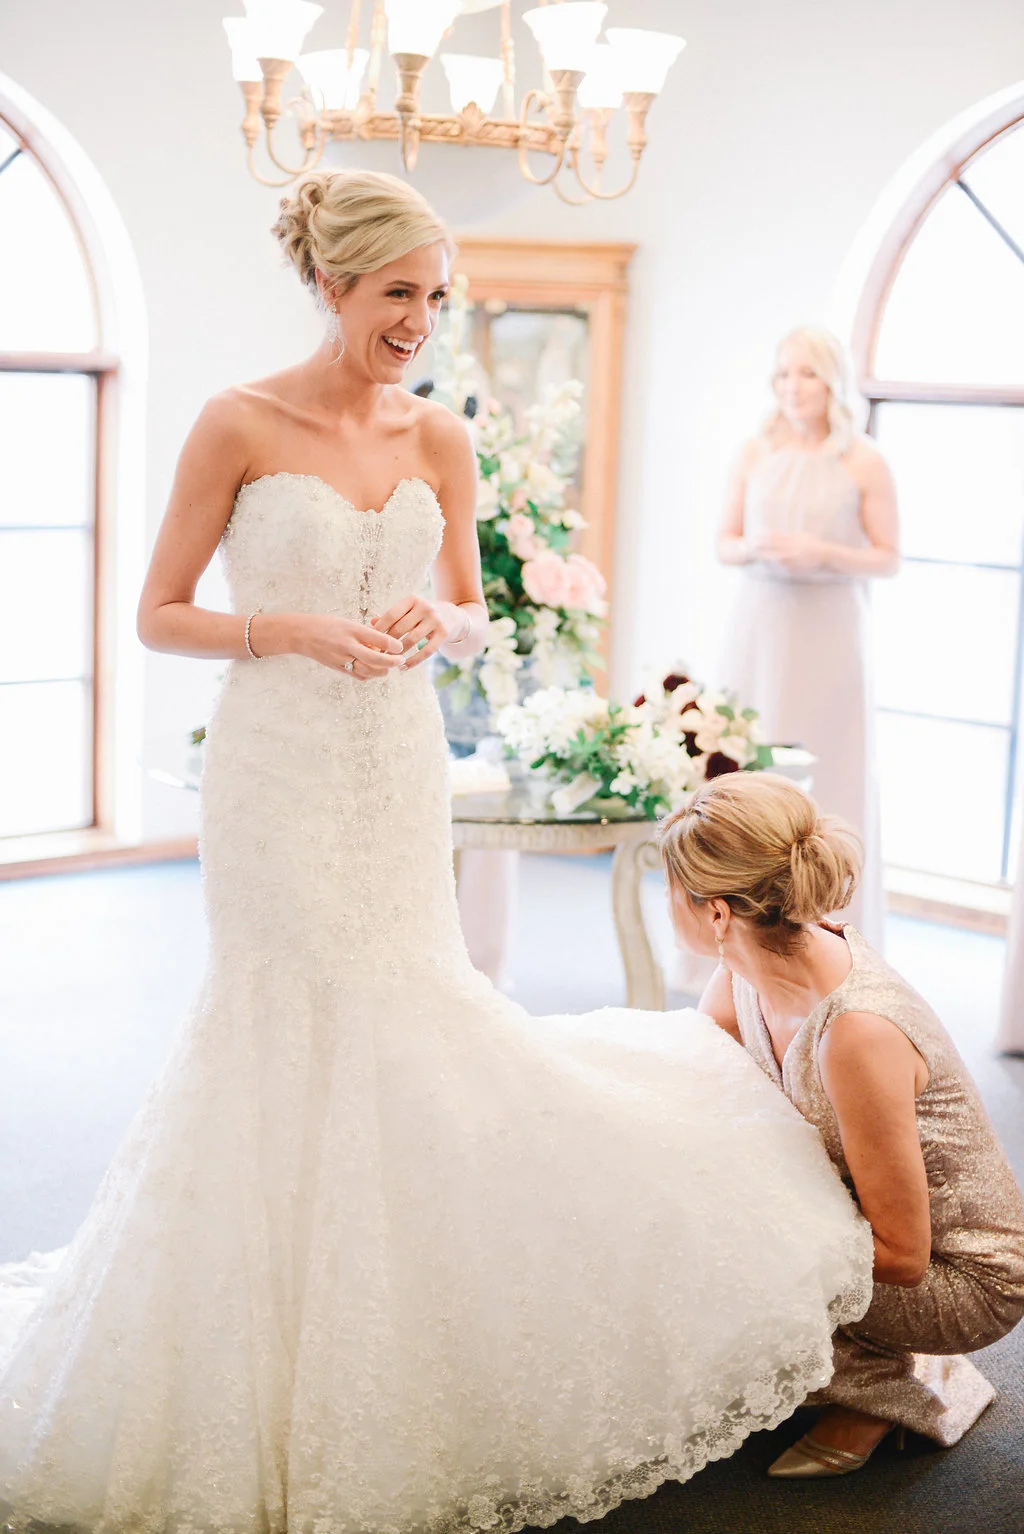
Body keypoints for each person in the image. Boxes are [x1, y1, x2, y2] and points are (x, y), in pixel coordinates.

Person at [0, 172, 874, 1532]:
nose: (419, 321)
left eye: (436, 297)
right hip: (276, 765)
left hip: (394, 759)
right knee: (280, 1006)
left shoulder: (440, 434)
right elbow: (158, 612)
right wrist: (285, 629)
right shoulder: (238, 419)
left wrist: (435, 625)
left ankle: (404, 1301)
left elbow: (470, 611)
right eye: (397, 293)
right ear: (331, 284)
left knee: (404, 1000)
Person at [660, 771, 1024, 1477]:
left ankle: (880, 1392)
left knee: (713, 1244)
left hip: (958, 1276)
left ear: (717, 913)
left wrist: (741, 1226)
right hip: (870, 1222)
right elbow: (702, 1084)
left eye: (669, 888)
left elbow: (905, 1254)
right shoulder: (749, 962)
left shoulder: (855, 1033)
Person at [716, 326, 898, 947]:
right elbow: (724, 542)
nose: (792, 387)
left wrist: (822, 553)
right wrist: (755, 549)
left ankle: (834, 933)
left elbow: (888, 557)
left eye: (807, 373)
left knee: (830, 764)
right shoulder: (754, 451)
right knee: (750, 763)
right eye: (783, 373)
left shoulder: (863, 459)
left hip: (830, 626)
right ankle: (741, 926)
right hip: (762, 621)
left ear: (832, 381)